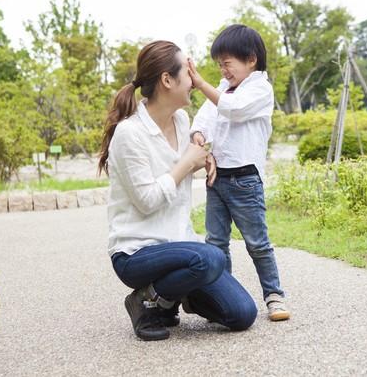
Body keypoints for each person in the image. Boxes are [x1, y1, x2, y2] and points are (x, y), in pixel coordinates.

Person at [98, 40, 257, 341]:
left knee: (242, 313)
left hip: (180, 246)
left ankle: (173, 295)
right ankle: (146, 299)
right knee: (211, 258)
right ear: (167, 80)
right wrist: (187, 163)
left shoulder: (181, 120)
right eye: (188, 72)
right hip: (137, 252)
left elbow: (184, 164)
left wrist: (203, 160)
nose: (194, 82)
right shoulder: (130, 134)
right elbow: (146, 201)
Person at [188, 24, 290, 321]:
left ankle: (274, 296)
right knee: (216, 244)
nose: (223, 70)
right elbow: (204, 118)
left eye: (227, 63)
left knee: (257, 244)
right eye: (219, 64)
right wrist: (197, 134)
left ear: (251, 59)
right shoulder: (222, 88)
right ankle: (223, 298)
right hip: (217, 179)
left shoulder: (259, 89)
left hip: (245, 179)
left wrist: (200, 83)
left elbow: (234, 109)